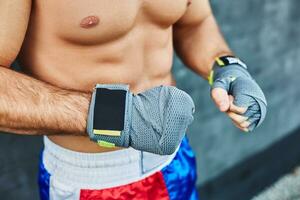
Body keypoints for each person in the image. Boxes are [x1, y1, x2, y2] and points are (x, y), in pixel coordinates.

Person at [0, 0, 267, 199]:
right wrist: (120, 117)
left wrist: (227, 67)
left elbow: (195, 22)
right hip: (93, 181)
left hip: (173, 159)